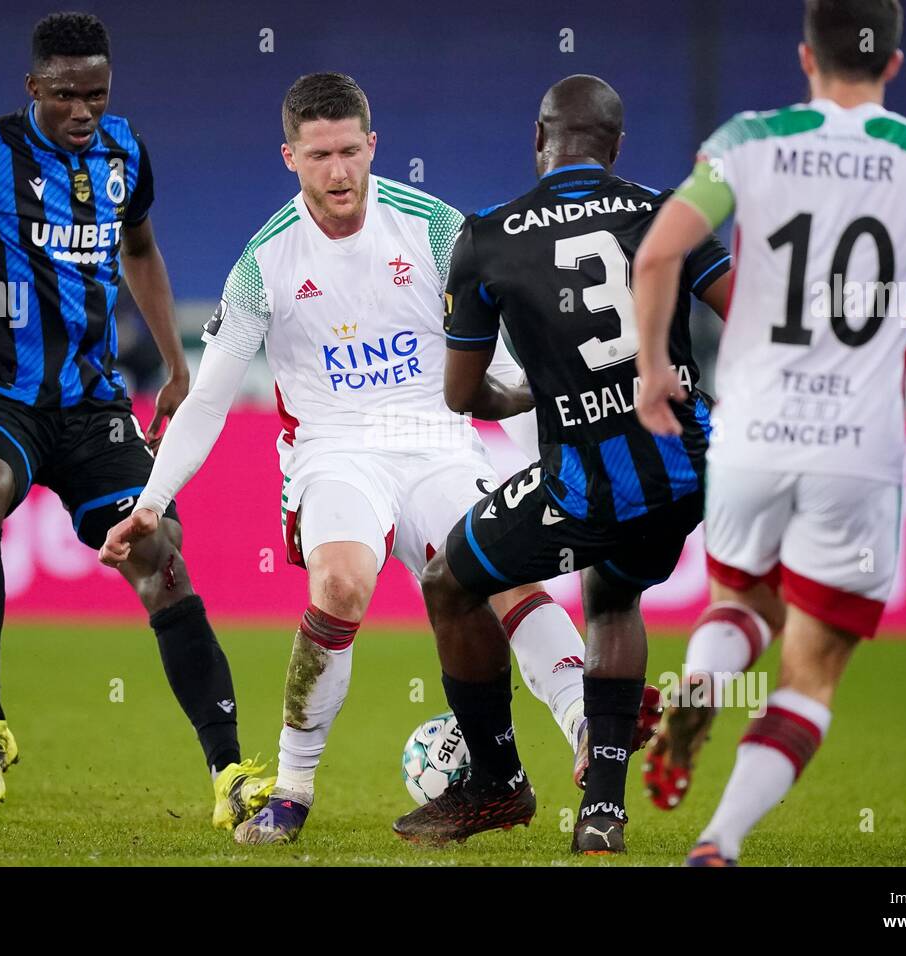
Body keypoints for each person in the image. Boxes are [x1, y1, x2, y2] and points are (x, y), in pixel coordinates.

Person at [101, 72, 608, 845]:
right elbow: (208, 398)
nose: (338, 172)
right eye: (318, 155)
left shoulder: (437, 229)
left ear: (373, 146)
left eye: (349, 151)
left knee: (505, 575)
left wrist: (558, 462)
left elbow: (508, 371)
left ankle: (586, 726)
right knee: (340, 582)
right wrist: (152, 497)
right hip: (333, 451)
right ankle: (294, 788)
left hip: (440, 439)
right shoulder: (264, 262)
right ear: (289, 158)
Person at [632, 0, 906, 865]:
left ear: (805, 56)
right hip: (857, 452)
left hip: (752, 436)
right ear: (894, 65)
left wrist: (653, 369)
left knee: (739, 599)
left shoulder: (750, 138)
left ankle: (701, 682)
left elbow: (657, 255)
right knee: (813, 670)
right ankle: (720, 840)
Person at [0, 12, 272, 827]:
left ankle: (230, 771)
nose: (83, 111)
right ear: (33, 88)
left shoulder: (125, 151)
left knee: (162, 555)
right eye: (65, 95)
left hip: (97, 407)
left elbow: (140, 251)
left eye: (96, 93)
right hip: (3, 397)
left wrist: (175, 366)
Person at [391, 74, 733, 854]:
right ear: (616, 148)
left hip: (581, 485)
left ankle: (496, 782)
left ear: (538, 141)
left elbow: (460, 395)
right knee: (612, 595)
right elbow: (746, 311)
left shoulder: (487, 237)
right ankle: (603, 816)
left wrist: (518, 396)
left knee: (450, 577)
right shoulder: (667, 213)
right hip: (686, 469)